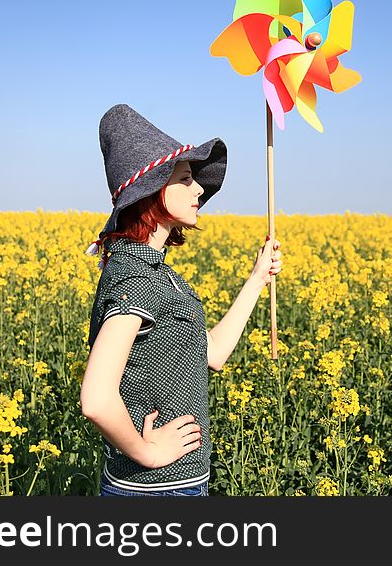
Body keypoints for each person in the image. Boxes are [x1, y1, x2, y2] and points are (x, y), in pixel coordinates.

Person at [79, 104, 282, 496]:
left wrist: (257, 279)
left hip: (177, 486)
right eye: (186, 179)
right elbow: (96, 399)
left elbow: (213, 353)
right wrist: (148, 454)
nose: (199, 189)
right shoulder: (137, 278)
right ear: (154, 189)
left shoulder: (159, 273)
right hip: (154, 491)